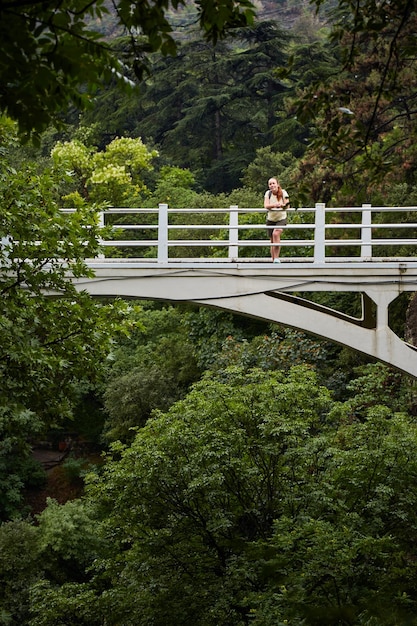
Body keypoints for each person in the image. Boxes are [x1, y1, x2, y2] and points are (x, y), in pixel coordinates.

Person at [264, 177, 290, 263]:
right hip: (271, 218)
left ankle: (277, 258)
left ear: (277, 184)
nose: (272, 185)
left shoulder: (283, 192)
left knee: (276, 234)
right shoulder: (268, 193)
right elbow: (266, 205)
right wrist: (275, 205)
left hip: (281, 218)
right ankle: (273, 261)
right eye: (270, 184)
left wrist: (281, 205)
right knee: (272, 241)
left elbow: (287, 205)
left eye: (273, 183)